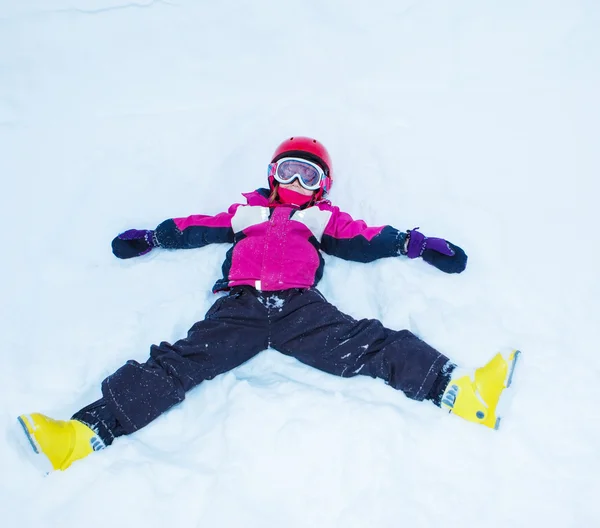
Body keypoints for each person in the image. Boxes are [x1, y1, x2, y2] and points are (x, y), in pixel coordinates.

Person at [17, 136, 519, 472]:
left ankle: (461, 391)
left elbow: (363, 237)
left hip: (303, 311)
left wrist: (414, 242)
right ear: (273, 174)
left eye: (310, 178)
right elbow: (198, 226)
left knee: (370, 345)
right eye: (291, 172)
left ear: (322, 189)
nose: (299, 185)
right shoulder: (246, 213)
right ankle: (83, 434)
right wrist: (154, 237)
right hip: (239, 310)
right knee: (175, 365)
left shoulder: (321, 220)